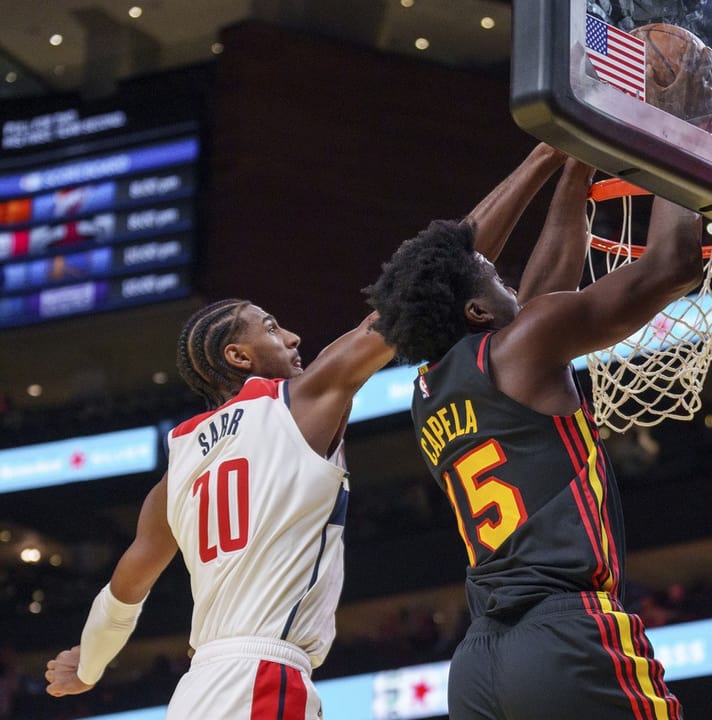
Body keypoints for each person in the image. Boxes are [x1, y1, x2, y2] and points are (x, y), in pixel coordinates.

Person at [43, 142, 570, 718]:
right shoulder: (299, 404)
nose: (292, 337)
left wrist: (87, 668)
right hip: (262, 679)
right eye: (271, 328)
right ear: (239, 356)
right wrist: (546, 157)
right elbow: (430, 281)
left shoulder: (177, 471)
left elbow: (123, 595)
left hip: (196, 694)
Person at [365, 153, 703, 718]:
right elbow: (672, 265)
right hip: (565, 632)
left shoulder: (428, 397)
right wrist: (680, 133)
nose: (511, 284)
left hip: (478, 665)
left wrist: (576, 169)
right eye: (497, 279)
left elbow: (544, 294)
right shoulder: (524, 346)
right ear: (476, 310)